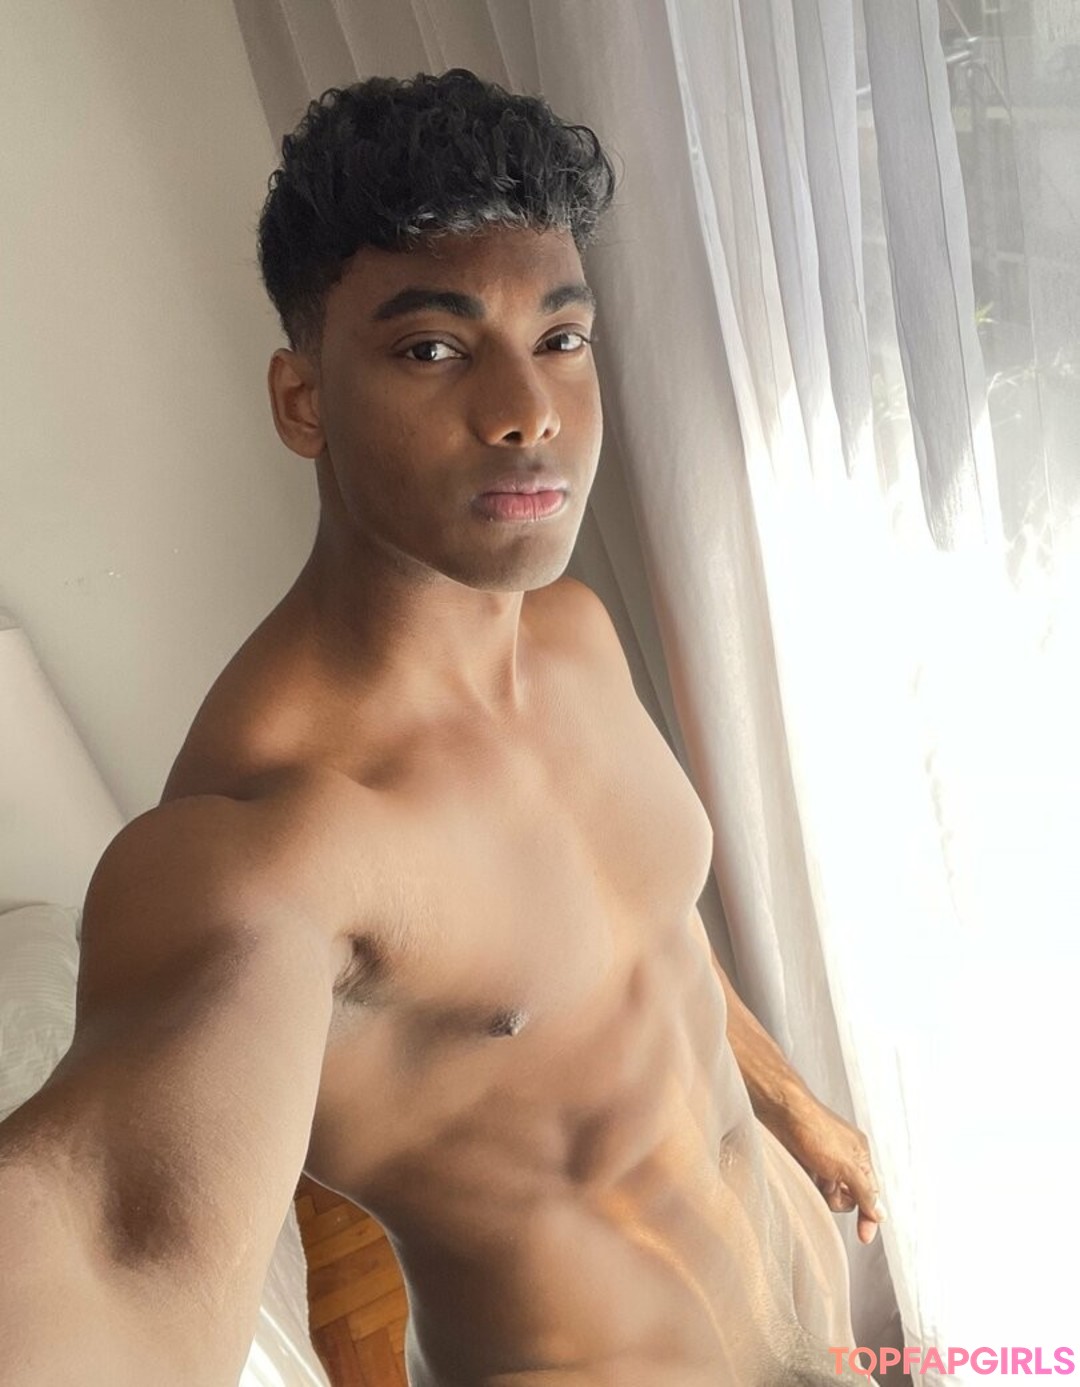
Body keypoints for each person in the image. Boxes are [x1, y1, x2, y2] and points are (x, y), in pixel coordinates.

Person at [0, 69, 885, 1386]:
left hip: (805, 1316)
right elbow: (110, 1250)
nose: (528, 409)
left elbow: (644, 928)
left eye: (561, 338)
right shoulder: (270, 842)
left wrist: (792, 1102)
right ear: (303, 401)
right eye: (433, 348)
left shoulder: (571, 633)